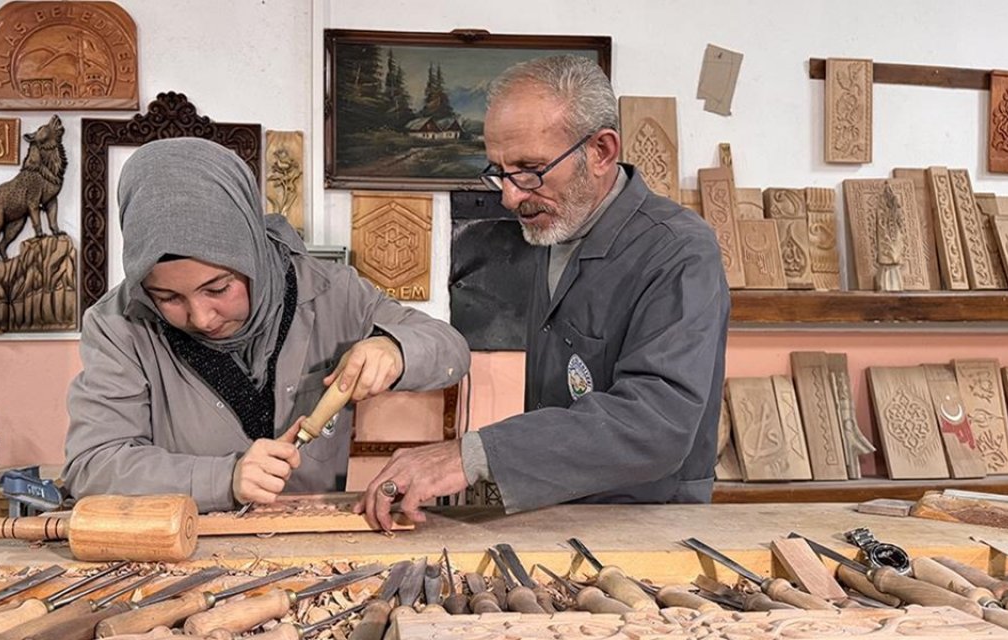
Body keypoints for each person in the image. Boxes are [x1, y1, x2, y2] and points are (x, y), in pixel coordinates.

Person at [357, 55, 730, 530]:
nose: (510, 197)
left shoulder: (678, 251)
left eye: (531, 169)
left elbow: (657, 424)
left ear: (601, 151)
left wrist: (470, 455)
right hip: (558, 511)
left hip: (648, 527)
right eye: (499, 170)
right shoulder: (553, 229)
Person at [63, 138, 470, 513]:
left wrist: (395, 349)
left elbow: (450, 348)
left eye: (218, 288)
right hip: (183, 551)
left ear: (251, 255)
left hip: (313, 548)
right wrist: (223, 479)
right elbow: (93, 466)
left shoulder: (332, 292)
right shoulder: (117, 325)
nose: (202, 318)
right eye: (168, 298)